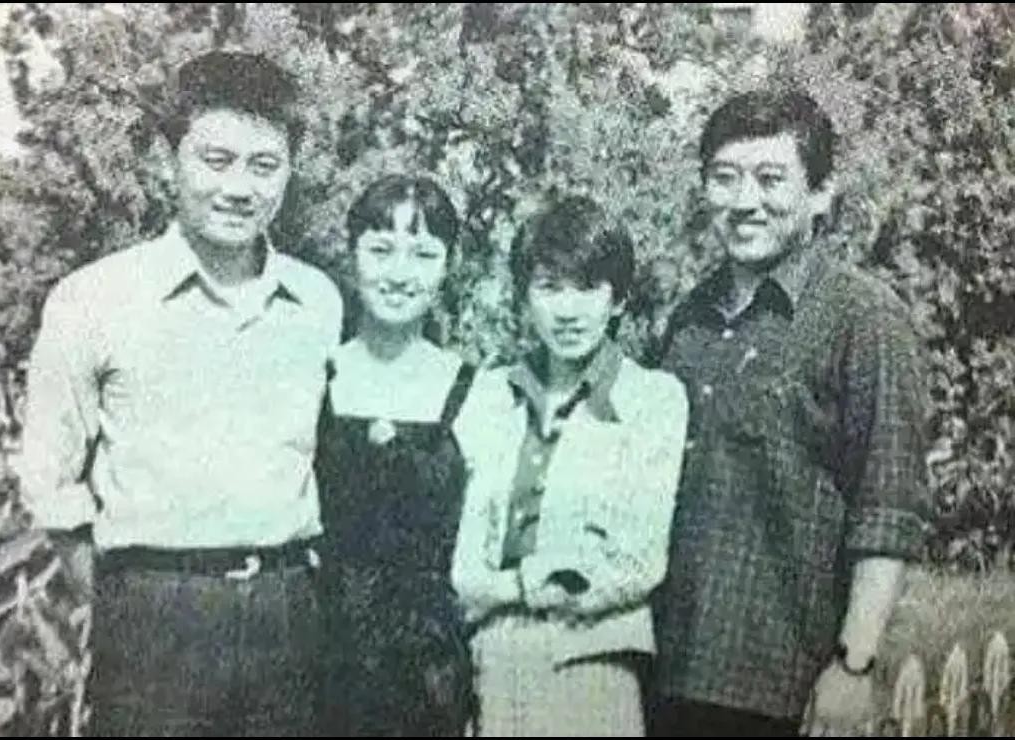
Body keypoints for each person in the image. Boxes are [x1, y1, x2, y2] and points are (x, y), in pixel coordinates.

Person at [17, 50, 343, 736]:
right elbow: (50, 482)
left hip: (288, 616)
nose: (239, 188)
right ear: (169, 162)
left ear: (290, 171)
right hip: (153, 623)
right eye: (215, 160)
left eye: (264, 165)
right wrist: (129, 597)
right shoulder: (94, 299)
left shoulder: (318, 303)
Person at [649, 87, 930, 737]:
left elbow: (888, 507)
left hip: (786, 691)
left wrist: (854, 665)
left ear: (821, 194)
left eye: (771, 179)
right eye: (725, 177)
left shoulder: (864, 317)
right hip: (666, 672)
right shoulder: (688, 320)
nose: (745, 201)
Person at [451, 195, 688, 736]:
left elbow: (640, 561)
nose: (568, 309)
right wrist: (533, 579)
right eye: (549, 287)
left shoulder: (652, 399)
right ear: (524, 297)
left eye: (588, 287)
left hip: (592, 662)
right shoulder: (491, 394)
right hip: (492, 661)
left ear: (618, 298)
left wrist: (505, 586)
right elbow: (463, 570)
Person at [313, 175, 477, 737]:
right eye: (381, 250)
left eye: (423, 254)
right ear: (351, 254)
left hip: (431, 679)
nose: (400, 274)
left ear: (449, 265)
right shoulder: (313, 377)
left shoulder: (478, 391)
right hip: (318, 665)